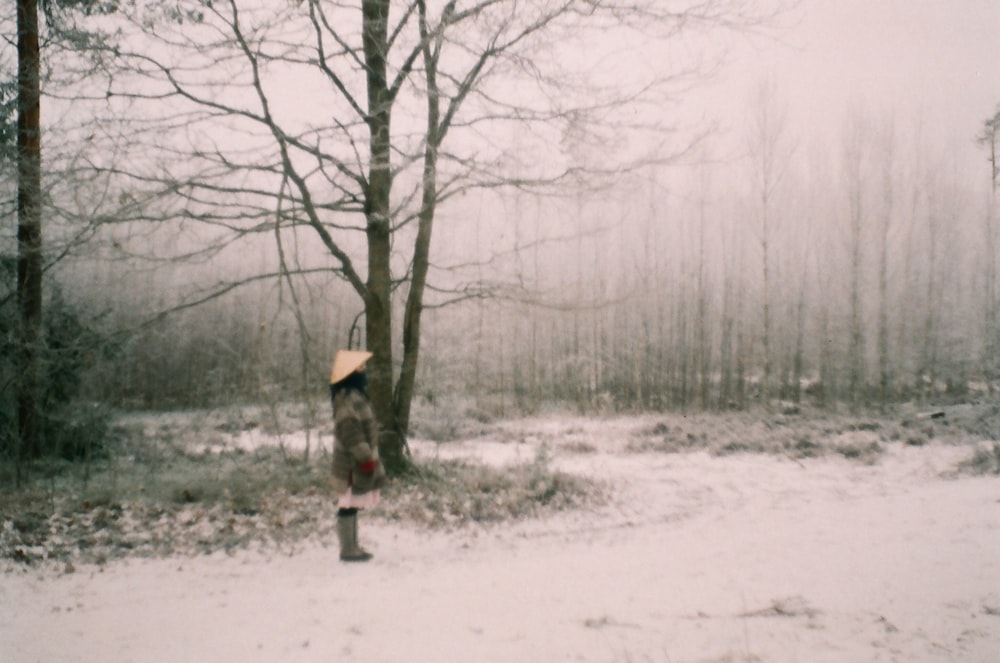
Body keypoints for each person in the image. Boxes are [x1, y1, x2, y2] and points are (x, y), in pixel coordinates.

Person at [329, 349, 386, 562]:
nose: (364, 371)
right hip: (351, 461)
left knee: (351, 503)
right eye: (360, 367)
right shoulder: (345, 397)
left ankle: (352, 547)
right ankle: (348, 550)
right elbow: (350, 431)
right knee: (347, 504)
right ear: (350, 372)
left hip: (357, 460)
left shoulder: (354, 394)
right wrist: (365, 456)